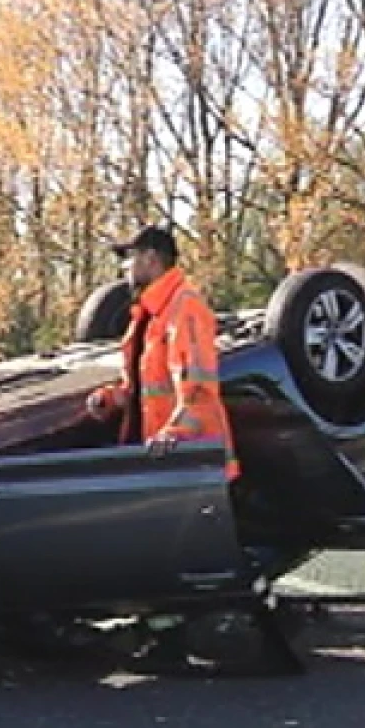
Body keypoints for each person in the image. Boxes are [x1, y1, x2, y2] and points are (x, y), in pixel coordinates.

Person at [85, 226, 301, 676]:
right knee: (168, 554)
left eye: (129, 257)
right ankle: (173, 638)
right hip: (168, 456)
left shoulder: (185, 308)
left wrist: (175, 431)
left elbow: (198, 383)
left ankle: (199, 642)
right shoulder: (148, 314)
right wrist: (114, 398)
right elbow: (145, 384)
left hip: (191, 455)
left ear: (153, 258)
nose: (125, 267)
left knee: (183, 557)